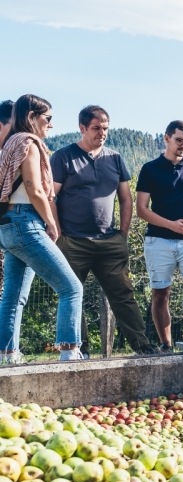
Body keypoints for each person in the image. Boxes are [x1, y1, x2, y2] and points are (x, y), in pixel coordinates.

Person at [50, 105, 159, 356]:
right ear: (82, 128)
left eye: (105, 128)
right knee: (71, 295)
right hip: (73, 241)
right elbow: (50, 197)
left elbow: (126, 198)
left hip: (110, 241)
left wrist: (122, 233)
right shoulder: (63, 157)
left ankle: (142, 347)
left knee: (123, 295)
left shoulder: (115, 158)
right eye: (96, 128)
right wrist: (58, 234)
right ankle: (80, 350)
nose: (102, 133)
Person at [0, 94, 84, 362]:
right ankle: (70, 352)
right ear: (31, 118)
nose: (50, 124)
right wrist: (51, 222)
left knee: (13, 296)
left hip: (8, 225)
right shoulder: (29, 143)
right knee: (71, 288)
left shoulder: (9, 143)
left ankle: (7, 354)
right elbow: (35, 189)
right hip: (27, 222)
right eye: (47, 118)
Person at [135, 120, 183, 350]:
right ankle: (165, 345)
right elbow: (142, 209)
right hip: (158, 240)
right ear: (166, 138)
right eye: (179, 140)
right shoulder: (150, 169)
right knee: (160, 294)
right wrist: (171, 225)